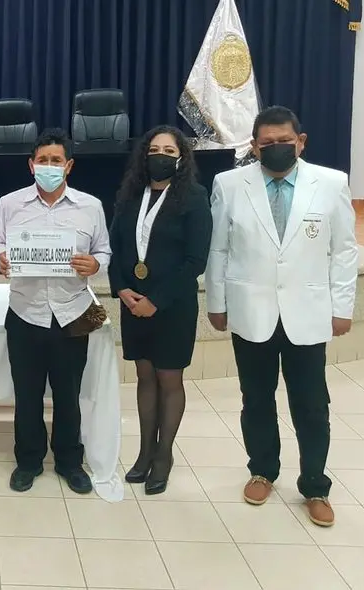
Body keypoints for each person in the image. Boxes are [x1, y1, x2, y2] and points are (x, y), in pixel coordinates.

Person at [206, 106, 358, 527]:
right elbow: (219, 248)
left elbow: (344, 250)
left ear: (301, 142)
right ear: (254, 147)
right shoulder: (229, 184)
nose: (276, 149)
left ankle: (314, 484)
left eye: (284, 142)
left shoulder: (330, 183)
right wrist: (216, 302)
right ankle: (262, 469)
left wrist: (341, 306)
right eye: (266, 143)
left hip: (308, 312)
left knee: (311, 405)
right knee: (256, 399)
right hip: (250, 310)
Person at [0, 129, 112, 494]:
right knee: (27, 395)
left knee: (68, 393)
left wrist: (95, 264)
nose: (48, 166)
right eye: (42, 160)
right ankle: (28, 461)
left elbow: (103, 251)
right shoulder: (10, 203)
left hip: (71, 312)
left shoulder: (90, 206)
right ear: (31, 165)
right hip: (25, 311)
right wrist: (1, 257)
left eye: (56, 161)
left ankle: (69, 462)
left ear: (69, 166)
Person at [108, 126, 212, 495]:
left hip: (172, 305)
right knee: (144, 377)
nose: (161, 155)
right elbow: (115, 247)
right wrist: (121, 287)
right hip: (133, 303)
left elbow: (195, 260)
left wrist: (157, 300)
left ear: (181, 159)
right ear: (143, 155)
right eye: (154, 149)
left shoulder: (194, 198)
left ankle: (164, 455)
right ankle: (144, 452)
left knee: (169, 380)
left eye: (169, 150)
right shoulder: (130, 196)